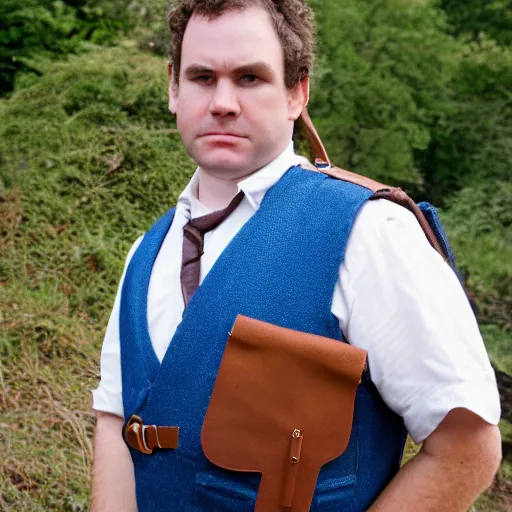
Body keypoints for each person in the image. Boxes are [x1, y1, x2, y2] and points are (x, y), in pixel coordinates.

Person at [91, 1, 502, 511]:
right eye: (202, 77)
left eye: (249, 78)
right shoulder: (144, 254)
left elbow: (466, 448)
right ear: (174, 88)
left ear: (296, 93)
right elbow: (114, 421)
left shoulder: (371, 233)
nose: (222, 102)